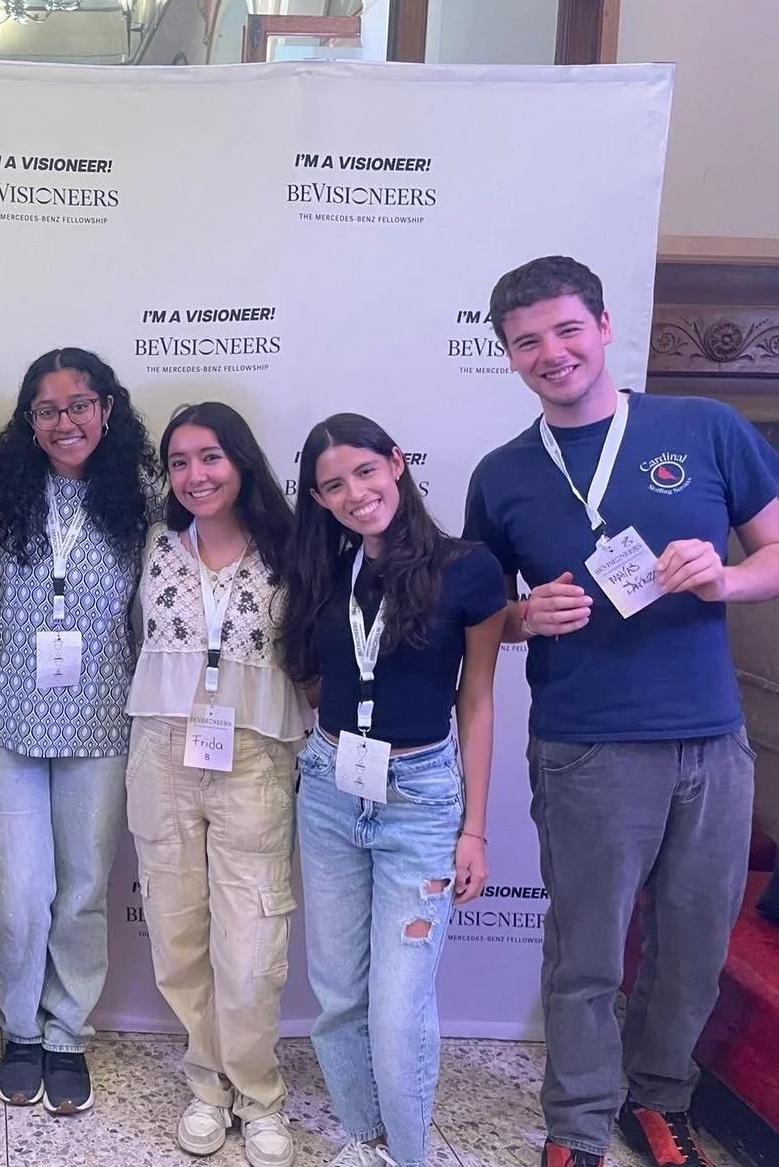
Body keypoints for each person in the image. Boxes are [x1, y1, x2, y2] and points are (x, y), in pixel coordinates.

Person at [464, 256, 779, 1167]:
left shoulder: (706, 427)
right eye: (527, 342)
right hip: (587, 748)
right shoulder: (503, 474)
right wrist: (527, 615)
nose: (551, 353)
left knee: (692, 945)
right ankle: (575, 1124)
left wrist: (726, 576)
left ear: (604, 328)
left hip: (712, 743)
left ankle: (661, 1099)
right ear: (510, 358)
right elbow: (485, 620)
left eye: (566, 330)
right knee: (586, 953)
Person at [280, 412, 505, 1167]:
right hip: (330, 787)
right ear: (317, 498)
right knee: (339, 994)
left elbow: (476, 700)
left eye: (365, 473)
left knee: (400, 1008)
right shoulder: (322, 569)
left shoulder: (468, 567)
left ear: (397, 464)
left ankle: (411, 1156)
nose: (355, 493)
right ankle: (365, 1138)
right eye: (333, 485)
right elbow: (313, 679)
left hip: (421, 797)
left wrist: (474, 828)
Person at [0, 346, 158, 1114]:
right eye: (46, 409)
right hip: (1, 717)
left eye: (80, 404)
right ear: (29, 422)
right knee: (15, 893)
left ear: (108, 410)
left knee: (81, 892)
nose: (65, 421)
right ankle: (18, 1028)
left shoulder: (145, 499)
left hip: (103, 723)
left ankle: (65, 1033)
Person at [124, 401, 308, 1167]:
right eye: (179, 462)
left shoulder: (295, 547)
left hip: (257, 752)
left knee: (252, 941)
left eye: (210, 458)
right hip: (163, 745)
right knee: (176, 933)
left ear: (241, 461)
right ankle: (209, 1082)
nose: (195, 475)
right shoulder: (155, 544)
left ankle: (260, 1093)